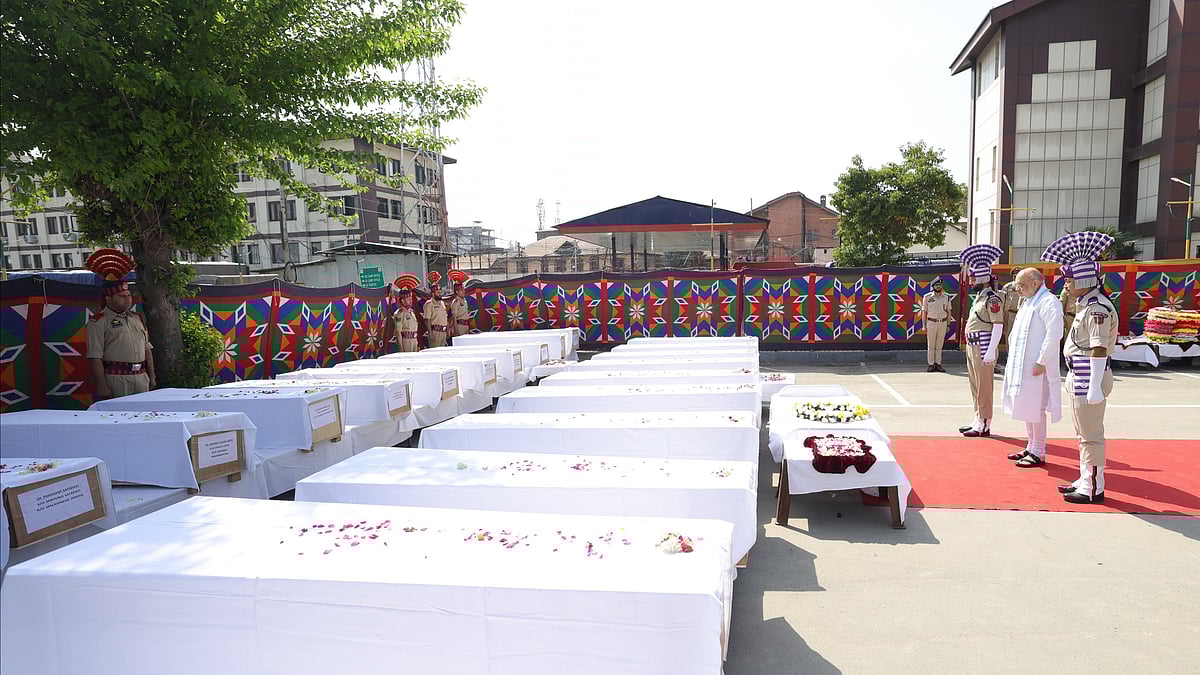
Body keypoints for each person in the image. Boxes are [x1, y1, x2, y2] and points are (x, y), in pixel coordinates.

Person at [1042, 232, 1117, 504]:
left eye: (1071, 279)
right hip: (1081, 373)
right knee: (1082, 433)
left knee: (1091, 436)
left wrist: (1095, 386)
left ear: (1085, 280)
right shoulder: (1087, 305)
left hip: (1089, 375)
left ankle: (1093, 487)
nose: (1068, 283)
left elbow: (1098, 347)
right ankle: (1086, 478)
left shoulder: (1096, 308)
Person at [1001, 267, 1064, 468]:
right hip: (1023, 367)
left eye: (1021, 285)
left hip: (1037, 367)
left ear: (1035, 282)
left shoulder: (1049, 302)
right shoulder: (1028, 302)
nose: (1017, 289)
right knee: (1027, 406)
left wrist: (1041, 361)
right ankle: (1030, 446)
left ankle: (1038, 451)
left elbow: (1054, 334)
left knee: (1036, 409)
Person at [85, 248, 155, 400]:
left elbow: (146, 348)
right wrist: (102, 385)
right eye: (121, 296)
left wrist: (152, 376)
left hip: (141, 377)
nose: (128, 299)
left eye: (128, 295)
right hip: (116, 378)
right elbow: (94, 356)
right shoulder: (98, 321)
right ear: (109, 299)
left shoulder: (137, 318)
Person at [957, 245, 1006, 437]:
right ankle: (977, 418)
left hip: (983, 347)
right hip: (973, 345)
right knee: (975, 385)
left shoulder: (992, 299)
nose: (971, 281)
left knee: (984, 387)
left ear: (984, 278)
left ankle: (984, 422)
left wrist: (990, 351)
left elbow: (998, 325)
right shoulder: (979, 297)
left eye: (974, 277)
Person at [920, 279, 952, 372]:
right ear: (933, 287)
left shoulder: (946, 297)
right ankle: (931, 364)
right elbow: (924, 312)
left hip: (942, 323)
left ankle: (938, 364)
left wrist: (948, 325)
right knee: (931, 345)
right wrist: (924, 325)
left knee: (939, 345)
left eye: (940, 285)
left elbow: (949, 311)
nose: (938, 287)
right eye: (936, 285)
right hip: (931, 322)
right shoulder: (927, 297)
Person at [392, 274, 421, 352]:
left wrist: (417, 344)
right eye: (408, 298)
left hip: (414, 341)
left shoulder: (412, 312)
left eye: (410, 298)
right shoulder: (399, 314)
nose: (410, 300)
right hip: (406, 342)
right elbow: (398, 333)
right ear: (402, 300)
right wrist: (401, 348)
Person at [423, 270, 450, 348]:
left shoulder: (442, 303)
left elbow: (445, 317)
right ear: (433, 294)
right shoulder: (429, 304)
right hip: (435, 332)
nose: (440, 294)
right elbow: (427, 320)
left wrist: (447, 330)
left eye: (440, 292)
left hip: (443, 332)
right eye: (438, 293)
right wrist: (430, 332)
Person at [447, 269, 471, 339]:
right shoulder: (455, 302)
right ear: (456, 292)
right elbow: (454, 318)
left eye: (463, 289)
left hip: (466, 326)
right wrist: (456, 331)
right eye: (461, 290)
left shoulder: (464, 300)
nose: (464, 291)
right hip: (459, 326)